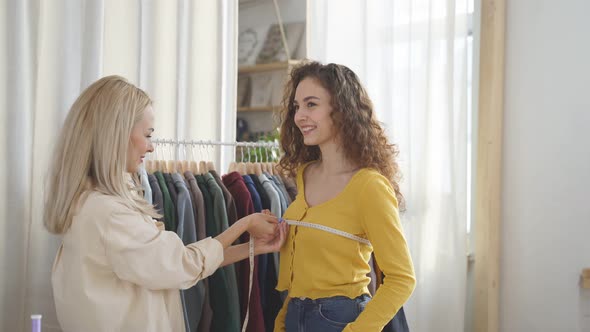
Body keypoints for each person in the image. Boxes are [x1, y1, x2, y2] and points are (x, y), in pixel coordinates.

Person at [44, 75, 288, 332]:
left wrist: (253, 248)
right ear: (116, 134)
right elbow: (182, 265)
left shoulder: (91, 202)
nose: (150, 148)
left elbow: (171, 264)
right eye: (147, 135)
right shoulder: (109, 213)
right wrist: (245, 224)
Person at [274, 61, 416, 332]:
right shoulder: (304, 176)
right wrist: (284, 319)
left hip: (340, 319)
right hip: (295, 315)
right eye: (296, 106)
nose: (299, 115)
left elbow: (402, 278)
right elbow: (307, 270)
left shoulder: (369, 187)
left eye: (311, 104)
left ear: (341, 110)